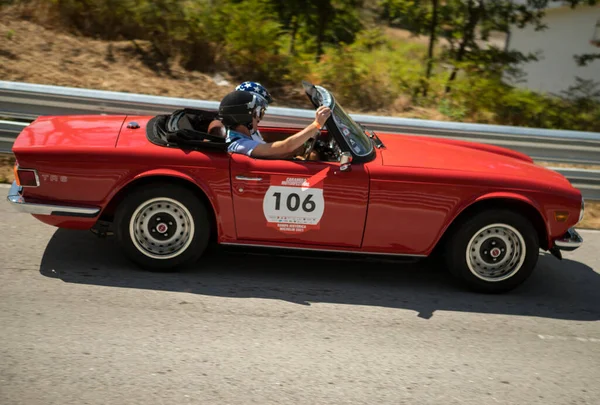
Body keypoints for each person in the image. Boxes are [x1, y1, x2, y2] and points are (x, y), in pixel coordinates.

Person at [219, 90, 331, 160]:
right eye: (256, 113)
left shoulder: (243, 136)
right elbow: (285, 147)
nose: (258, 118)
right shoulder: (240, 145)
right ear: (244, 117)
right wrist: (316, 124)